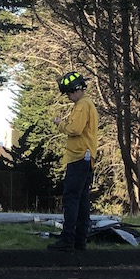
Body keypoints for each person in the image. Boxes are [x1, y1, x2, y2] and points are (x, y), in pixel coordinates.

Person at [47, 71, 98, 253]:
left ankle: (67, 239)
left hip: (78, 157)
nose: (68, 97)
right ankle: (79, 241)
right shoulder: (88, 104)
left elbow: (75, 129)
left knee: (71, 199)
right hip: (86, 158)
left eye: (68, 93)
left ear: (76, 90)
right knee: (83, 201)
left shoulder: (82, 105)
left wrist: (61, 124)